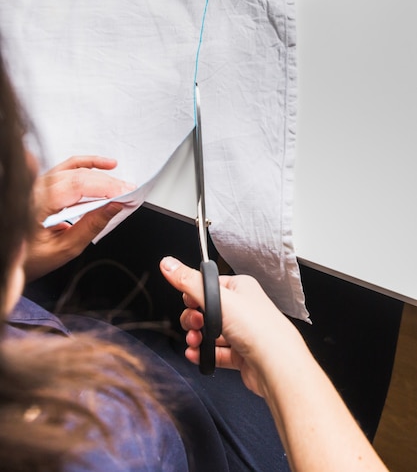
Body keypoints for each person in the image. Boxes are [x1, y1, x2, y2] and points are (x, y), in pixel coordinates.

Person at [0, 51, 388, 471]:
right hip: (193, 441)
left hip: (90, 344)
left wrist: (13, 263)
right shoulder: (83, 450)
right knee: (362, 294)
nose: (29, 163)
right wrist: (282, 355)